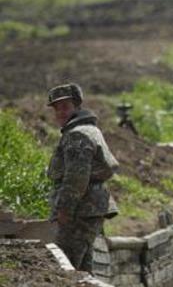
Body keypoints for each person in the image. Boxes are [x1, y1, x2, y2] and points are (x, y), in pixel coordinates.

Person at [46, 83, 119, 272]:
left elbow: (76, 178)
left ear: (77, 106)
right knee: (83, 270)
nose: (60, 112)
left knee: (66, 267)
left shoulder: (77, 135)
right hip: (89, 208)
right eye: (56, 108)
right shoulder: (89, 129)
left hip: (80, 211)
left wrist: (64, 209)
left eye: (65, 107)